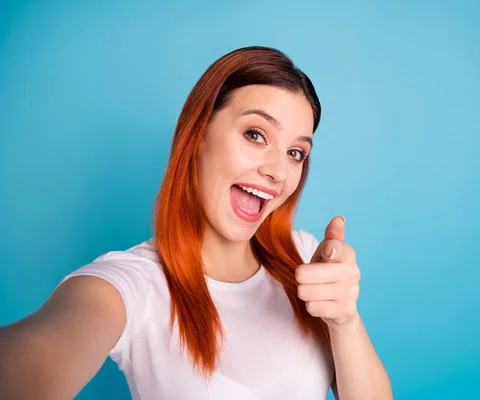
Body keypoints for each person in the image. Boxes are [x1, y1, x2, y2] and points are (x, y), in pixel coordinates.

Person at [0, 46, 393, 400]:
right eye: (256, 134)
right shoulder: (132, 287)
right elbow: (43, 350)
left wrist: (344, 319)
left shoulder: (305, 257)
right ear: (198, 133)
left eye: (295, 152)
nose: (278, 171)